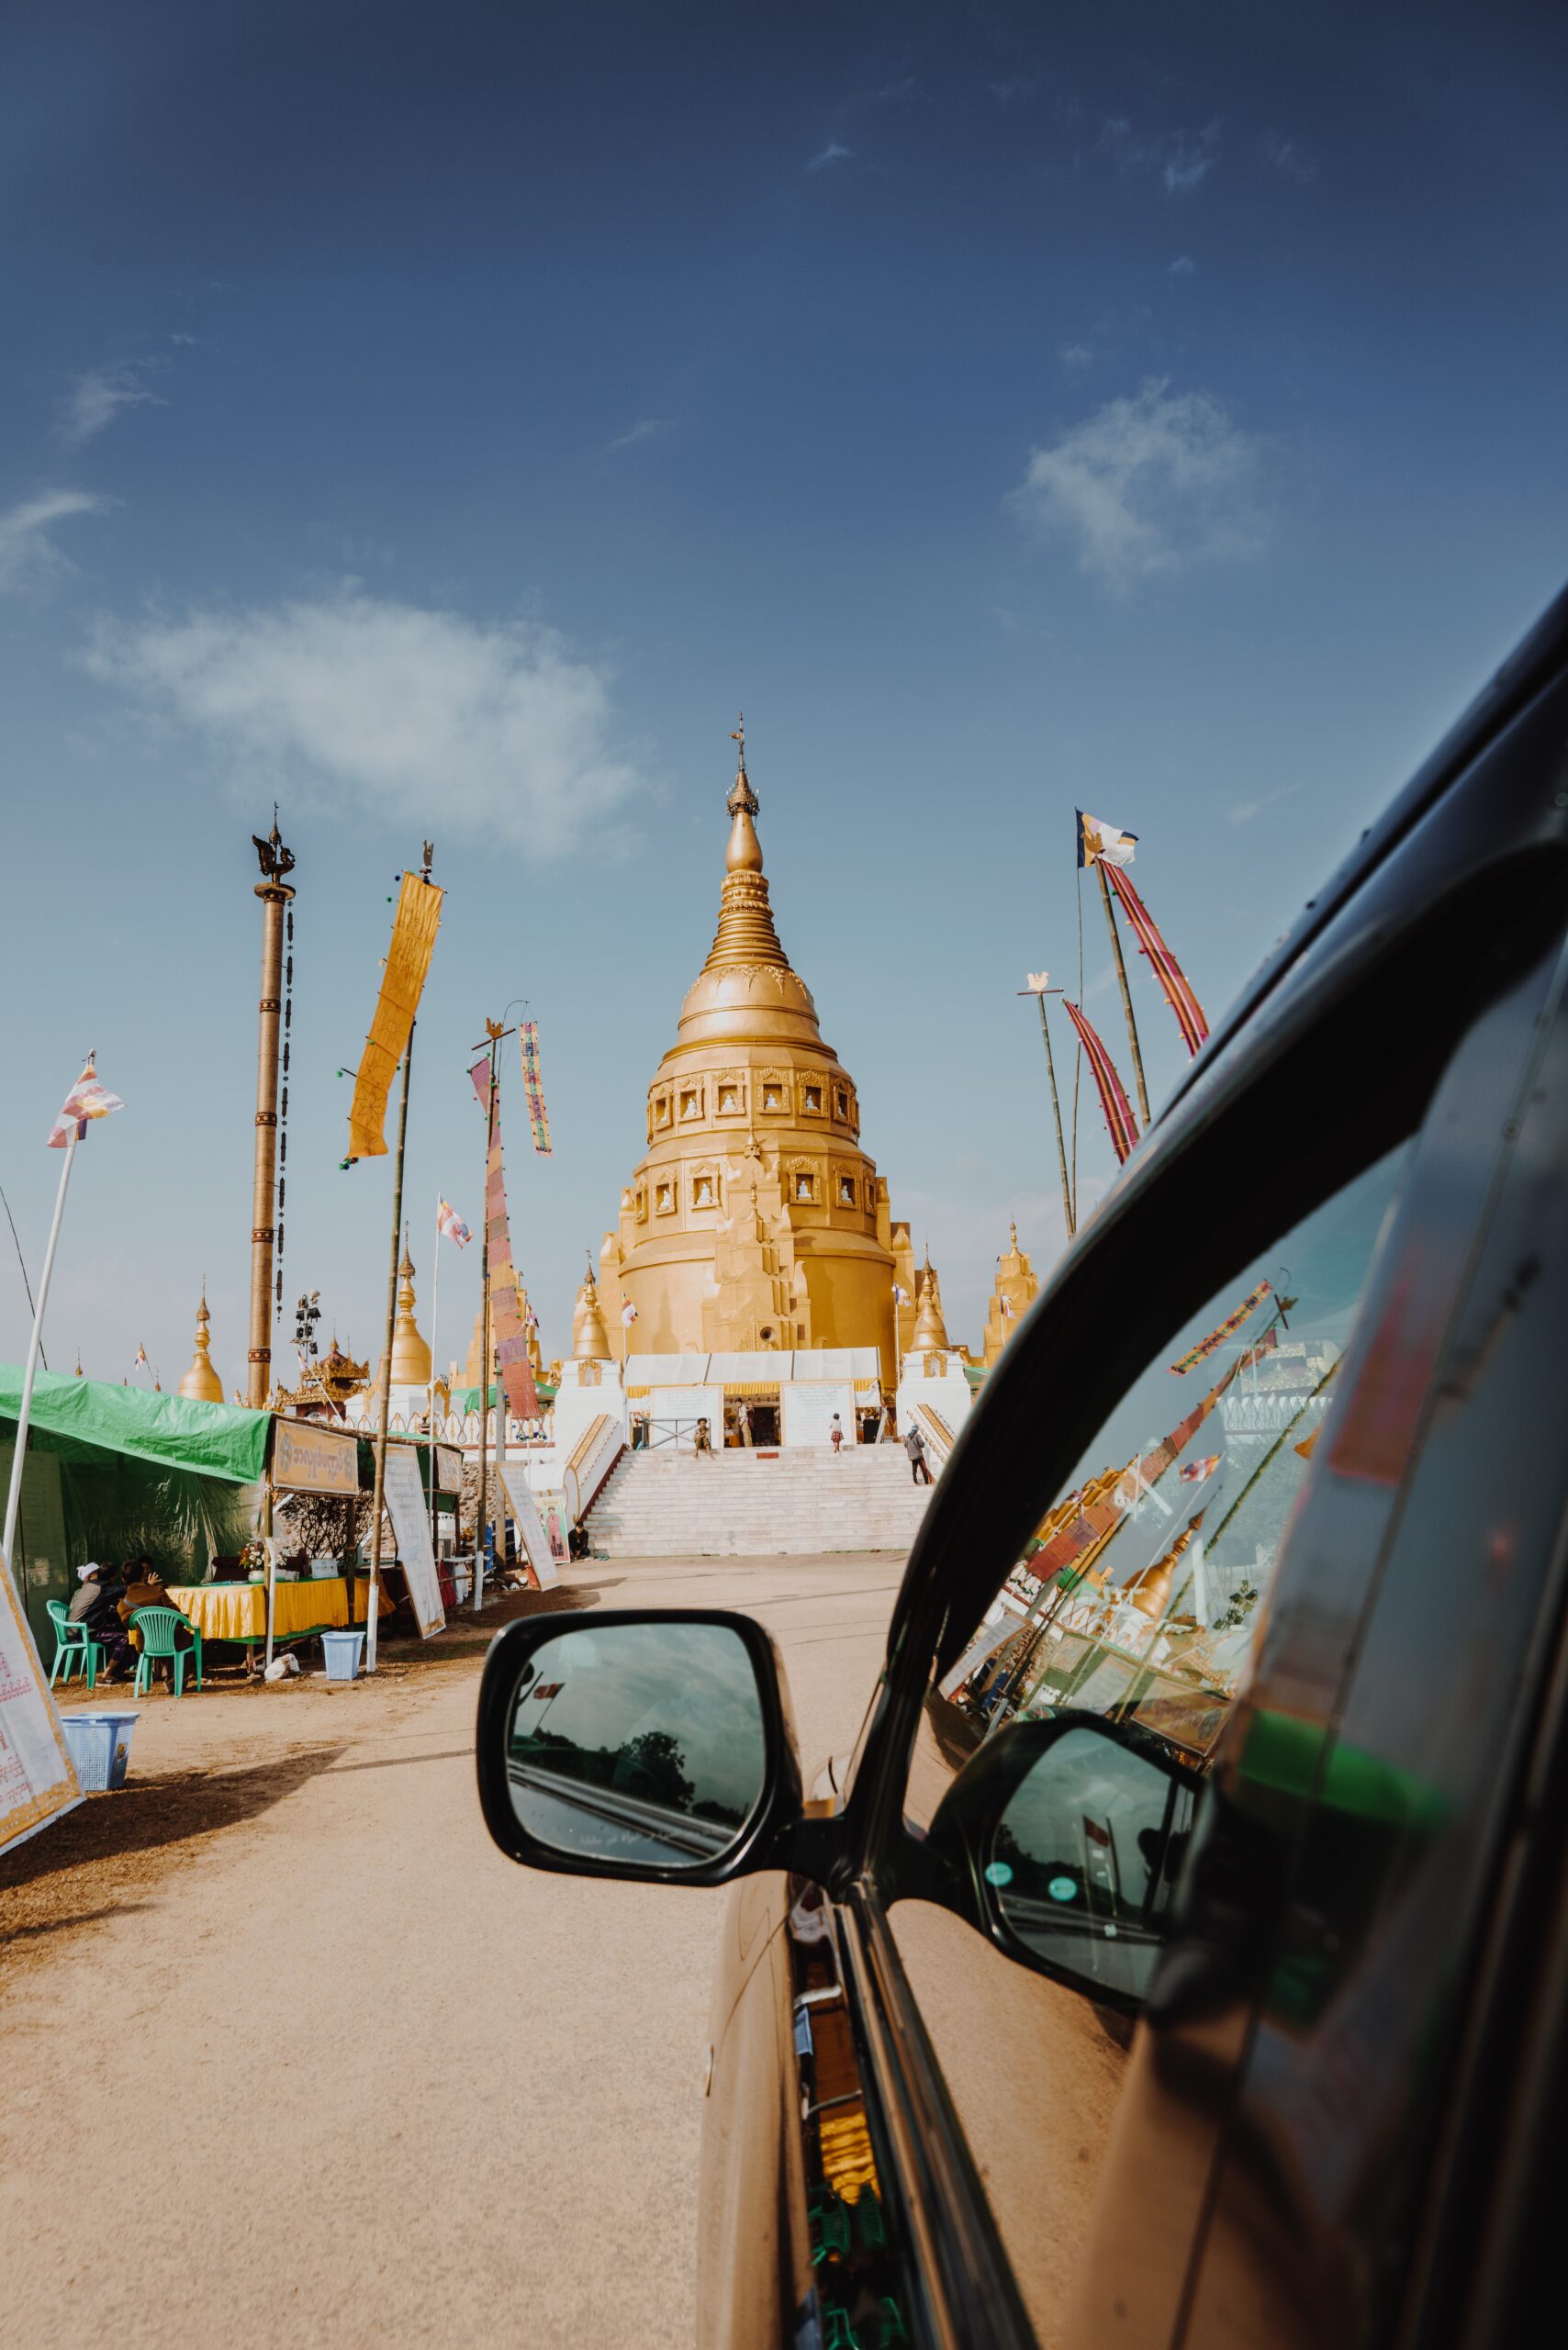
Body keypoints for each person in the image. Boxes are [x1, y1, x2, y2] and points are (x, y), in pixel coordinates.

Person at [70, 1562, 133, 1680]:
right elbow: (128, 1590)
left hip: (74, 1630)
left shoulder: (88, 1586)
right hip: (83, 1633)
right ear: (113, 1577)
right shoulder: (103, 1588)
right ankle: (107, 1675)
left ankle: (116, 1672)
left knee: (116, 1630)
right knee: (126, 1637)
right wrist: (147, 1585)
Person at [904, 1422, 933, 1486]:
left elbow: (905, 1445)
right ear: (916, 1430)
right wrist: (921, 1445)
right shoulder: (917, 1435)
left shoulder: (907, 1437)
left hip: (912, 1456)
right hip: (919, 1456)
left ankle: (915, 1481)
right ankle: (926, 1482)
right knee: (924, 1468)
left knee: (914, 1469)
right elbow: (922, 1444)